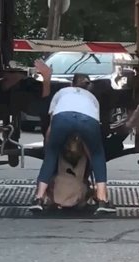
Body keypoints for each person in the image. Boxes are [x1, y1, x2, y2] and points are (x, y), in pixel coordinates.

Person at [29, 72, 116, 214]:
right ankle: (102, 199)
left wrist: (49, 146)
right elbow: (95, 124)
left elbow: (51, 125)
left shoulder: (61, 92)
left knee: (51, 155)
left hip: (62, 117)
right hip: (88, 120)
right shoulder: (92, 98)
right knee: (97, 154)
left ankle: (39, 198)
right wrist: (91, 155)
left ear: (71, 84)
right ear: (89, 88)